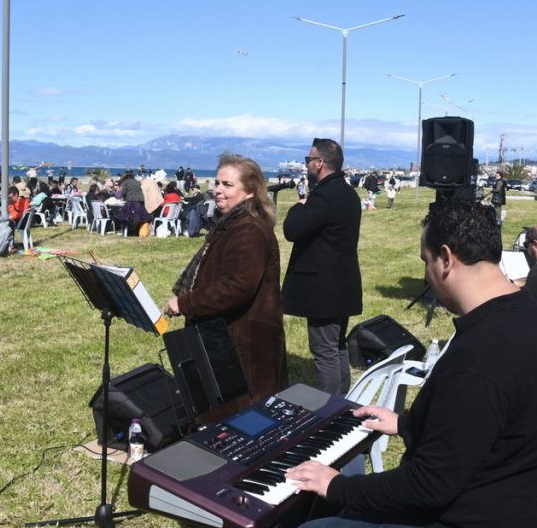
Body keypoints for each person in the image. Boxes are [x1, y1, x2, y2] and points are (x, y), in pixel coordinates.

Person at [281, 200, 537, 528]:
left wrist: (336, 486)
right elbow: (485, 426)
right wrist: (407, 424)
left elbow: (427, 487)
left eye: (425, 260)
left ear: (446, 258)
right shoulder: (523, 316)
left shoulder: (482, 357)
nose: (426, 272)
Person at [163, 153, 288, 423]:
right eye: (217, 183)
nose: (218, 190)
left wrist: (185, 303)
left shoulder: (249, 229)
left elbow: (236, 287)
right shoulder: (231, 224)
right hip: (226, 335)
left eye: (228, 185)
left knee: (244, 423)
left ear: (250, 192)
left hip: (244, 341)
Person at [282, 138, 363, 395]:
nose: (305, 165)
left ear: (320, 163)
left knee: (324, 352)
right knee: (337, 347)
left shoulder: (324, 196)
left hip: (323, 290)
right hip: (343, 284)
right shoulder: (348, 193)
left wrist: (299, 204)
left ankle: (328, 411)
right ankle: (342, 403)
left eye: (308, 160)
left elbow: (291, 229)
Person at [116, 170, 150, 235]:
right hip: (141, 200)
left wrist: (125, 199)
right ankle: (136, 231)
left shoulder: (125, 182)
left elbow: (123, 192)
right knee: (139, 216)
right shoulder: (136, 182)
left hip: (131, 201)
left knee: (125, 215)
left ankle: (126, 230)